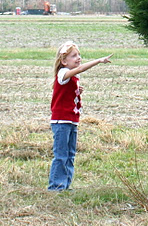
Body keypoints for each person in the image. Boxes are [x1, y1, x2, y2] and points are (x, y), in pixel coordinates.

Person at [48, 40, 112, 191]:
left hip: (71, 120)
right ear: (63, 61)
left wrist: (76, 91)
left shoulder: (71, 78)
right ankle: (56, 186)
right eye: (73, 56)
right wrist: (98, 61)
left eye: (78, 55)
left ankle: (65, 185)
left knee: (70, 155)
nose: (78, 58)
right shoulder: (63, 73)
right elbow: (81, 69)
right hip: (61, 121)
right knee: (61, 155)